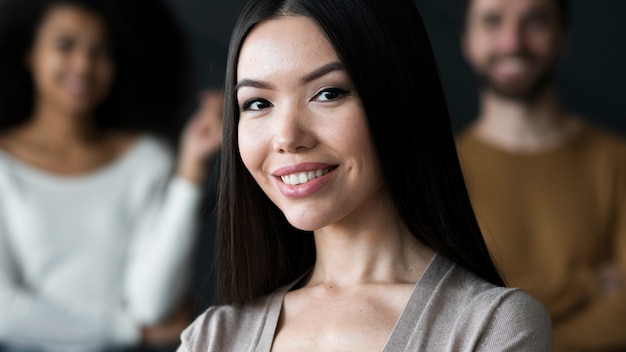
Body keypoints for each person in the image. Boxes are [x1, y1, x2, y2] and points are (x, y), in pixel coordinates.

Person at [177, 0, 552, 350]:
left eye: (328, 93)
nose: (288, 137)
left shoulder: (490, 326)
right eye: (258, 103)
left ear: (398, 99)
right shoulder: (213, 337)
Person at [0, 0, 223, 350]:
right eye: (65, 45)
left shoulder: (147, 160)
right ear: (29, 52)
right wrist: (132, 332)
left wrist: (190, 168)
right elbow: (4, 313)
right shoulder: (3, 166)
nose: (83, 65)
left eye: (100, 50)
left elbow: (152, 305)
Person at [455, 0, 626, 350]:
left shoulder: (615, 160)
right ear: (467, 40)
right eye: (492, 22)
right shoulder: (438, 173)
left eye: (534, 22)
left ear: (563, 36)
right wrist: (587, 284)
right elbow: (452, 309)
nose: (512, 43)